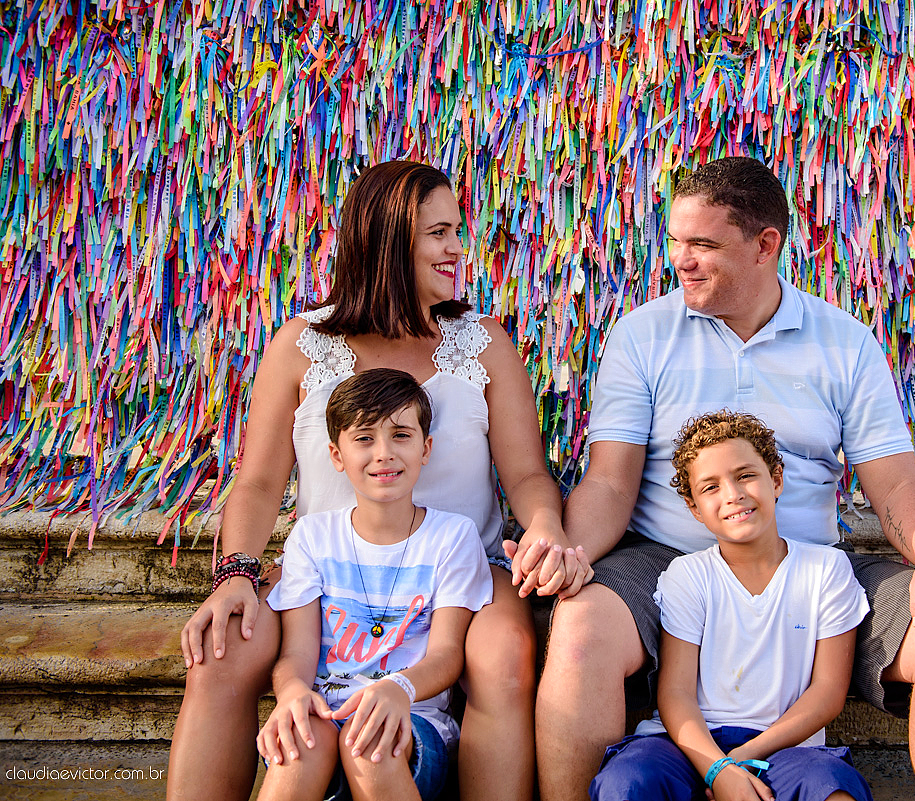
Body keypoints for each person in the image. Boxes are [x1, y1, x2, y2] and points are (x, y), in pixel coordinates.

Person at [537, 157, 915, 801]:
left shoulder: (844, 342)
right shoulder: (642, 335)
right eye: (675, 240)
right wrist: (571, 553)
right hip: (663, 560)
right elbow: (610, 483)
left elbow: (894, 483)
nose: (681, 259)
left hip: (807, 565)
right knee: (580, 623)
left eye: (703, 244)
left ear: (765, 246)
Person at [168, 160, 586, 801]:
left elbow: (528, 473)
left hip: (459, 568)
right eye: (439, 233)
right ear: (390, 242)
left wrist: (548, 527)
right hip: (329, 567)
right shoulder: (302, 345)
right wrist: (236, 575)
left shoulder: (485, 345)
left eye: (456, 230)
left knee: (504, 658)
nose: (458, 249)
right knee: (221, 652)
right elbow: (254, 485)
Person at [589, 410, 874, 801]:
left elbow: (827, 692)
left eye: (745, 476)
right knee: (626, 783)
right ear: (694, 508)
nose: (732, 495)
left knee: (834, 790)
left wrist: (740, 760)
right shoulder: (689, 575)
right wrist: (717, 768)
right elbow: (676, 694)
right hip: (688, 745)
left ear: (776, 479)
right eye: (710, 488)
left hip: (784, 747)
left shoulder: (826, 570)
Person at [257, 368, 491, 801]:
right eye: (364, 438)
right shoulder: (312, 537)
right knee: (299, 749)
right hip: (326, 714)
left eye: (400, 435)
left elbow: (446, 654)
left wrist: (398, 687)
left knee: (368, 747)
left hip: (411, 722)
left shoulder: (453, 537)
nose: (384, 453)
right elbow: (297, 653)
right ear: (336, 455)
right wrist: (290, 694)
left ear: (426, 448)